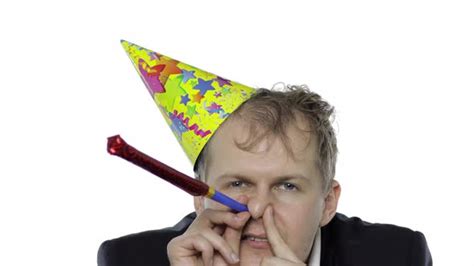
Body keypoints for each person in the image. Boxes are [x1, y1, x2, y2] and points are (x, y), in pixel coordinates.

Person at [98, 41, 432, 266]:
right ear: (199, 197)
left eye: (287, 186)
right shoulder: (129, 259)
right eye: (238, 184)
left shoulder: (396, 256)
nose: (257, 208)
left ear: (328, 203)